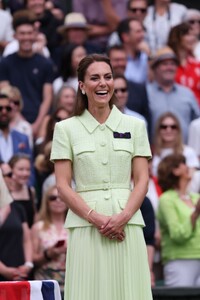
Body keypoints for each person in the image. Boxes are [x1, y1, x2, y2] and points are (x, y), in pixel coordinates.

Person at [50, 54, 152, 300]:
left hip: (127, 226)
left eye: (108, 77)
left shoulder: (135, 125)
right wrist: (96, 219)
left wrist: (123, 217)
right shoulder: (65, 129)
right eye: (94, 78)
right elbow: (62, 186)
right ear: (82, 86)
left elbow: (142, 180)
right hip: (86, 227)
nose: (102, 83)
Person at [0, 10, 55, 137]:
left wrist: (37, 125)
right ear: (15, 36)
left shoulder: (46, 63)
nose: (26, 37)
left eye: (30, 33)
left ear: (35, 34)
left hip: (40, 121)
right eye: (22, 33)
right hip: (13, 120)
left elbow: (48, 98)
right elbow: (5, 94)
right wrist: (23, 124)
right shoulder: (5, 63)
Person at [157, 154, 200, 287]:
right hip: (179, 260)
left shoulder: (195, 197)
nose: (188, 167)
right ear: (175, 170)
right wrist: (195, 213)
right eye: (183, 163)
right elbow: (177, 235)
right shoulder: (166, 200)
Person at [147, 46, 199, 143]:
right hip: (153, 154)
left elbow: (197, 123)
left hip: (184, 152)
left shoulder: (187, 93)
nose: (169, 67)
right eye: (165, 64)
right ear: (155, 68)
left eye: (172, 64)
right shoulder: (146, 93)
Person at [31, 185, 68, 294]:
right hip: (45, 283)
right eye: (52, 198)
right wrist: (49, 253)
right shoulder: (38, 227)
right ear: (46, 202)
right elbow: (32, 259)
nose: (57, 200)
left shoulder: (74, 228)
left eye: (61, 197)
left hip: (71, 281)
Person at [0, 162, 33, 281]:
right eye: (8, 174)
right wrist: (4, 270)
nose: (13, 177)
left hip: (19, 274)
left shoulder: (17, 207)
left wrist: (28, 264)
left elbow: (27, 239)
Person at [152, 112, 199, 177]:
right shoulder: (151, 153)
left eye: (173, 127)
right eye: (164, 127)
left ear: (178, 130)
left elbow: (192, 178)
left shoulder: (188, 152)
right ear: (158, 130)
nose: (168, 130)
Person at [168, 22, 200, 106]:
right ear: (177, 37)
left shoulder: (197, 64)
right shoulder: (166, 64)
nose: (192, 38)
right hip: (173, 110)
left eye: (193, 35)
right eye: (188, 35)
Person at [0, 93, 32, 163]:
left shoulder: (23, 138)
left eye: (8, 108)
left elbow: (30, 169)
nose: (4, 111)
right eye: (0, 108)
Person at [117, 17, 148, 83]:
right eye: (138, 32)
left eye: (143, 31)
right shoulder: (117, 61)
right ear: (125, 37)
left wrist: (150, 57)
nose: (142, 35)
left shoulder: (146, 57)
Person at [9, 153, 36, 228]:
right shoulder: (4, 193)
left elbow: (34, 216)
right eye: (21, 169)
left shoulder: (31, 191)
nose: (25, 173)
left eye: (28, 169)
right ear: (11, 169)